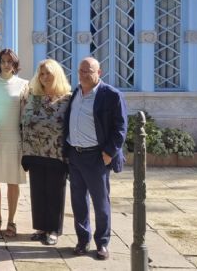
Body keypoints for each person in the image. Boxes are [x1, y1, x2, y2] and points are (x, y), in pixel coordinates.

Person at [64, 57, 127, 260]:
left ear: (99, 73)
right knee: (78, 201)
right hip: (75, 154)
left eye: (88, 71)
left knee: (100, 202)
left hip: (96, 157)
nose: (83, 74)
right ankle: (83, 240)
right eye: (81, 70)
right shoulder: (76, 92)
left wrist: (109, 152)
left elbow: (120, 127)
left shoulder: (111, 95)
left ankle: (102, 243)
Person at [21, 59, 71, 246]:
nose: (44, 77)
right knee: (38, 192)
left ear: (56, 74)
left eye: (48, 73)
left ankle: (54, 230)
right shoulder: (33, 97)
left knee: (55, 192)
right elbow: (24, 121)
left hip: (56, 154)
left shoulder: (67, 98)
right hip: (35, 152)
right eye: (41, 74)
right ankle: (41, 227)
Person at [0, 49, 27, 237]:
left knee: (12, 182)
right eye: (3, 61)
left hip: (13, 137)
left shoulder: (24, 84)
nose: (6, 64)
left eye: (10, 61)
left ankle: (12, 221)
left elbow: (26, 115)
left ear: (15, 64)